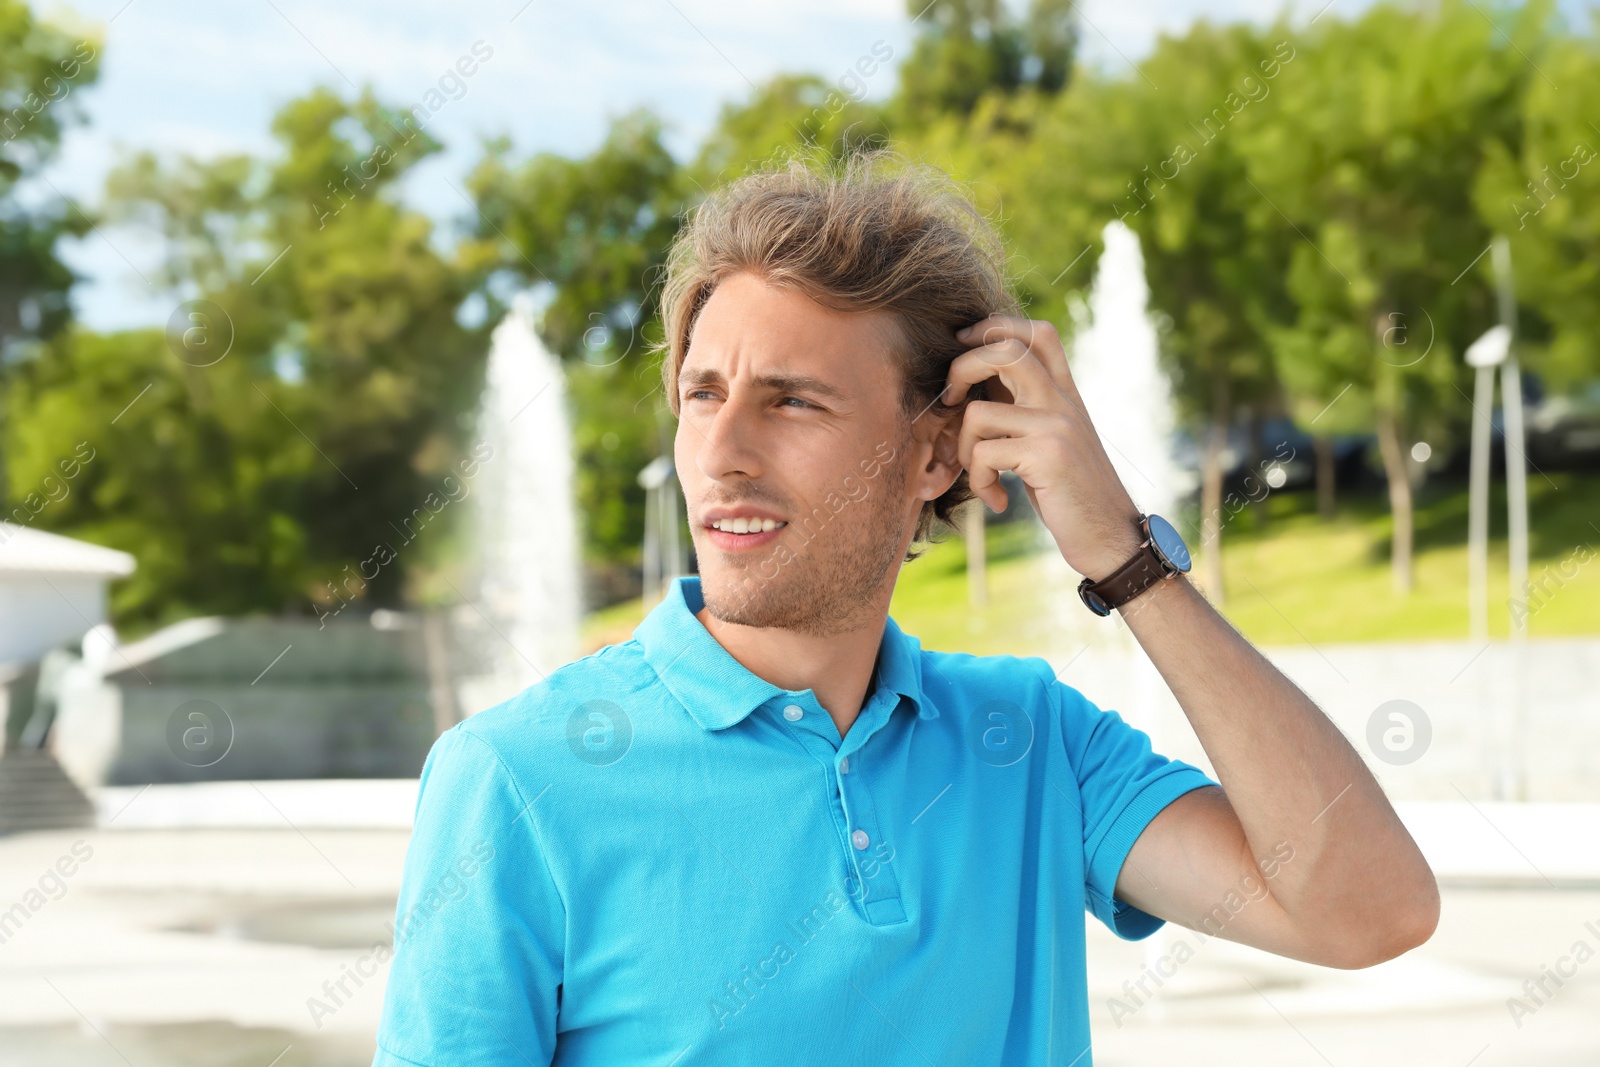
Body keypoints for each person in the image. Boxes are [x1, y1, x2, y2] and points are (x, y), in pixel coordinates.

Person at [371, 153, 1438, 1066]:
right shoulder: (512, 777)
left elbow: (1368, 910)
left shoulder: (1033, 740)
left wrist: (1124, 556)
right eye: (704, 393)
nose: (722, 453)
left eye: (791, 399)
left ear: (934, 451)